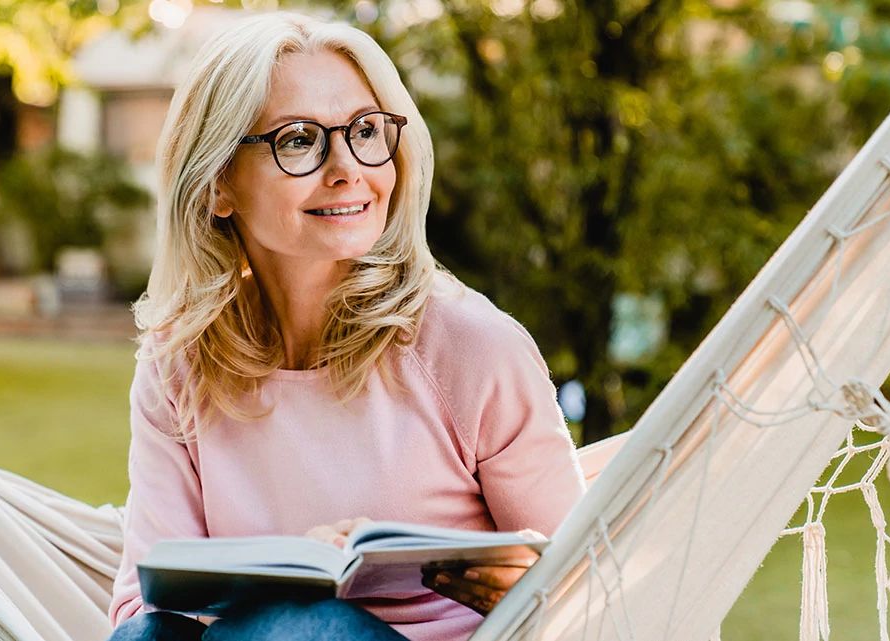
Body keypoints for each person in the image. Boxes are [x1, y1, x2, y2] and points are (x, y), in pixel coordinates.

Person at [107, 11, 585, 641]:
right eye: (300, 139)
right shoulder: (180, 364)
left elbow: (590, 591)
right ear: (217, 183)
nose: (348, 168)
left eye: (365, 130)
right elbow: (143, 606)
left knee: (308, 628)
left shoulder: (471, 348)